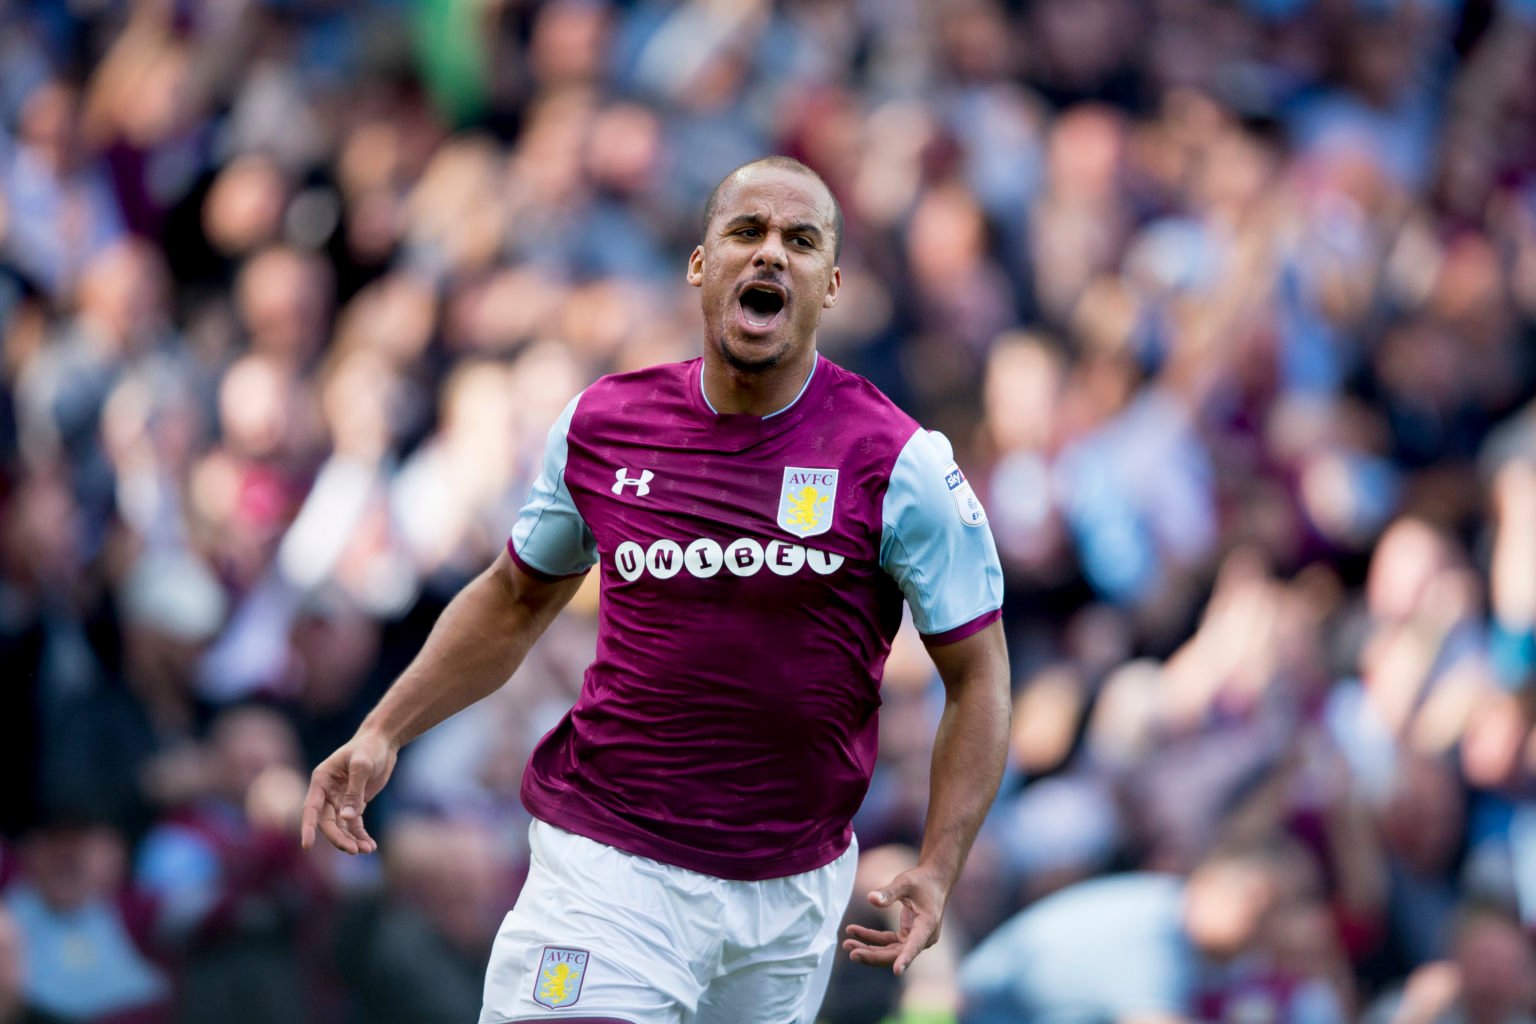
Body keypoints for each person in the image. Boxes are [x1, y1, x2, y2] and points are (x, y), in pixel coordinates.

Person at [301, 155, 1010, 1023]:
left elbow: (978, 675)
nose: (770, 256)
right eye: (746, 232)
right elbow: (514, 598)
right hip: (610, 866)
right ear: (700, 264)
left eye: (799, 241)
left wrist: (941, 861)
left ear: (831, 283)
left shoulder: (902, 463)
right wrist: (384, 730)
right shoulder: (603, 425)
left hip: (789, 897)